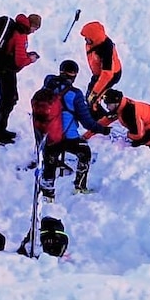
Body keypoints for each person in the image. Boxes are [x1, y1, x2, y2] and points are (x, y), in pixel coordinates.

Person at [32, 60, 108, 199]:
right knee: (85, 152)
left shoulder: (47, 86)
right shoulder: (75, 94)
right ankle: (80, 186)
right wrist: (103, 129)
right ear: (74, 75)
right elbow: (87, 122)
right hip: (68, 138)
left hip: (49, 137)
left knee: (50, 162)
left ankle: (48, 195)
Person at [0, 14, 41, 145]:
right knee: (7, 101)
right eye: (35, 29)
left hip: (4, 68)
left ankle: (0, 130)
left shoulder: (17, 29)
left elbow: (16, 53)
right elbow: (19, 61)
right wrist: (30, 59)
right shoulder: (21, 34)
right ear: (32, 26)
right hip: (6, 71)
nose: (33, 32)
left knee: (10, 99)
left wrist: (27, 55)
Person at [95, 89, 150, 160]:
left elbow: (139, 134)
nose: (107, 107)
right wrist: (89, 132)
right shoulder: (123, 105)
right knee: (140, 142)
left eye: (108, 105)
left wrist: (128, 135)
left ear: (116, 102)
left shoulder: (129, 112)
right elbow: (105, 121)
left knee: (141, 144)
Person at [79, 21, 123, 101]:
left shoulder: (106, 50)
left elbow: (107, 74)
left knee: (93, 99)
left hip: (111, 76)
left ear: (94, 38)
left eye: (87, 38)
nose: (85, 40)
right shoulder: (94, 43)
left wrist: (95, 93)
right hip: (99, 74)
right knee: (90, 92)